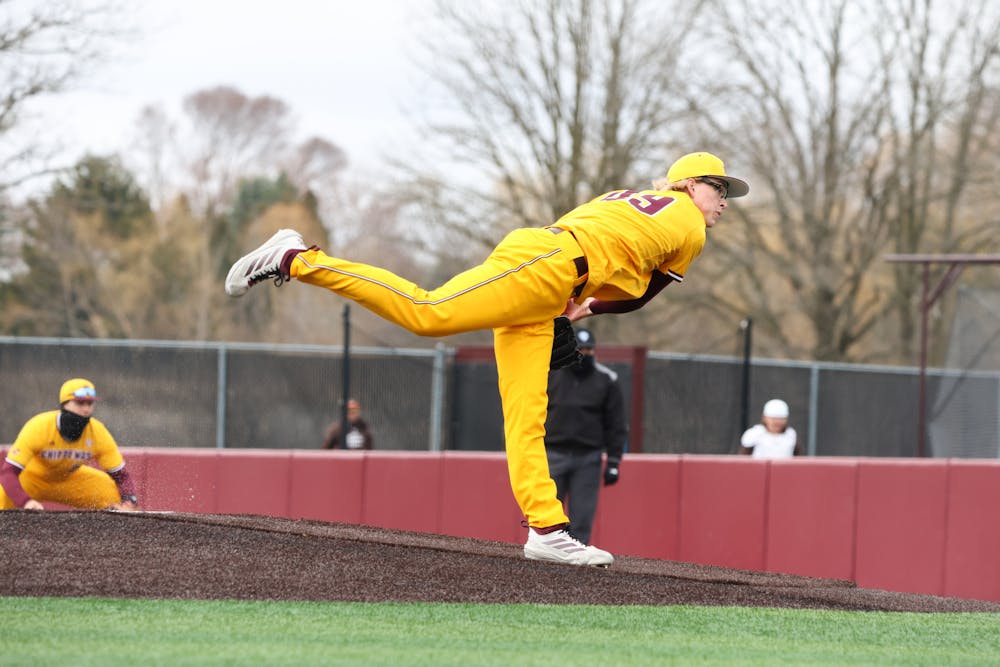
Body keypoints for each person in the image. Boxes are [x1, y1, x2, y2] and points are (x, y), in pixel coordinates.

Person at [225, 151, 748, 567]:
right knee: (428, 312)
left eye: (726, 192)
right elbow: (643, 295)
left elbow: (618, 262)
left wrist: (574, 305)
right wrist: (586, 308)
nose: (723, 200)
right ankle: (297, 258)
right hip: (547, 267)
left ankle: (546, 528)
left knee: (527, 414)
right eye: (717, 187)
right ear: (686, 185)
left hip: (551, 272)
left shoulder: (631, 198)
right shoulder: (690, 225)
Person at [0, 378, 139, 511]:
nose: (86, 409)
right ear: (64, 404)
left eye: (90, 403)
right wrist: (25, 501)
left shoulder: (98, 432)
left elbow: (121, 476)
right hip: (33, 479)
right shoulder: (39, 426)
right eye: (80, 403)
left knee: (115, 497)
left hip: (68, 480)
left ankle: (106, 528)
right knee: (3, 495)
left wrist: (129, 500)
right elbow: (8, 473)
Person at [543, 327, 626, 545]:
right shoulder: (550, 374)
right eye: (580, 350)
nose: (584, 355)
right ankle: (544, 558)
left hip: (588, 458)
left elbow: (616, 424)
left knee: (582, 519)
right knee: (545, 516)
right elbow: (533, 413)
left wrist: (614, 461)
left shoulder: (607, 380)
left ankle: (578, 558)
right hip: (553, 454)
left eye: (589, 350)